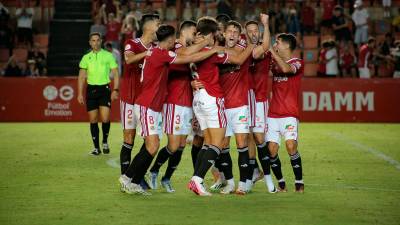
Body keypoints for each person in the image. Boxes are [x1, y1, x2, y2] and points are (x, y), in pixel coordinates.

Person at [119, 24, 222, 195]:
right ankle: (127, 177)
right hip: (146, 105)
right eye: (173, 39)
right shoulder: (161, 54)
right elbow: (187, 58)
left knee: (152, 145)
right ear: (169, 40)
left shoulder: (158, 52)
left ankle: (135, 182)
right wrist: (210, 47)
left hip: (152, 106)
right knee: (152, 146)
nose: (175, 41)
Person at [188, 16, 255, 196]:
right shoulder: (213, 52)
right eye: (217, 32)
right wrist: (251, 44)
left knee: (208, 143)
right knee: (218, 144)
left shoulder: (192, 51)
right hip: (212, 98)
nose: (220, 34)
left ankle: (197, 180)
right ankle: (197, 179)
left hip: (198, 99)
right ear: (210, 34)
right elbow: (239, 60)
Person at [147, 20, 212, 193]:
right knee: (173, 145)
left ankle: (166, 178)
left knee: (182, 145)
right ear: (185, 31)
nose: (196, 34)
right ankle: (153, 171)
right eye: (194, 31)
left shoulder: (191, 49)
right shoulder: (174, 47)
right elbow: (186, 55)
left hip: (188, 103)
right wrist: (206, 43)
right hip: (173, 102)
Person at [118, 14, 159, 182]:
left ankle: (137, 176)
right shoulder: (132, 43)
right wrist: (146, 54)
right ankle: (124, 176)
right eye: (158, 24)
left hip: (146, 101)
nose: (160, 27)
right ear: (149, 27)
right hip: (129, 98)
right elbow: (128, 60)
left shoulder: (157, 47)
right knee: (129, 138)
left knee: (148, 139)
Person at [266, 33, 305, 193]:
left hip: (289, 114)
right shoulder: (273, 62)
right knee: (272, 150)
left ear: (287, 46)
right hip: (272, 114)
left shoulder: (298, 62)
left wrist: (272, 52)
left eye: (278, 42)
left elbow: (286, 69)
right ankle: (281, 184)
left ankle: (299, 183)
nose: (275, 44)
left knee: (290, 146)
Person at [245, 19, 276, 193]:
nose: (253, 33)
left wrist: (266, 25)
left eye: (256, 30)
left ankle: (268, 178)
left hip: (259, 100)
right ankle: (250, 176)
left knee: (259, 139)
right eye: (249, 31)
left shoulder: (263, 50)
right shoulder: (242, 50)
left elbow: (260, 51)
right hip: (244, 99)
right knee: (248, 138)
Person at [77, 32, 120, 155]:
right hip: (91, 90)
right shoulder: (86, 57)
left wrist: (116, 90)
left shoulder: (108, 56)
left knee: (105, 118)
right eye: (93, 40)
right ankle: (96, 148)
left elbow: (116, 74)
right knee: (93, 120)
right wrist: (79, 93)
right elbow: (81, 77)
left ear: (101, 41)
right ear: (90, 43)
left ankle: (105, 141)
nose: (95, 42)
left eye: (97, 40)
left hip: (104, 89)